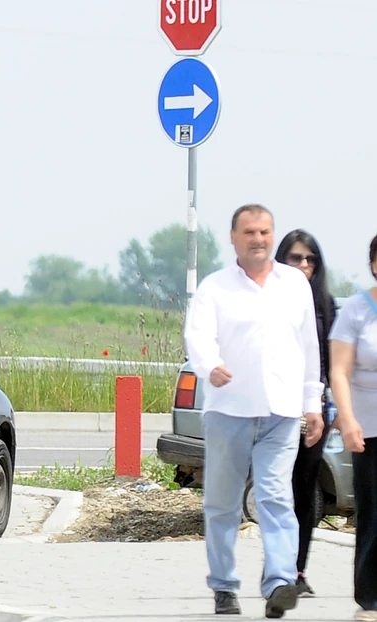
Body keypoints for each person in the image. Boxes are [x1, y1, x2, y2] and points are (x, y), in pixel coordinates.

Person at [184, 204, 324, 618]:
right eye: (249, 232)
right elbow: (198, 338)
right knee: (223, 504)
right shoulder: (216, 288)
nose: (258, 239)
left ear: (272, 235)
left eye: (264, 232)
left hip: (281, 412)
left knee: (276, 496)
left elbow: (309, 349)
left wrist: (311, 404)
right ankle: (225, 587)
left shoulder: (294, 285)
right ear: (233, 237)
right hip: (229, 412)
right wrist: (211, 366)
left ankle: (281, 581)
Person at [274, 229, 338, 597]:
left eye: (310, 259)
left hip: (314, 409)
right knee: (274, 489)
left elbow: (331, 363)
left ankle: (297, 570)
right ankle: (277, 566)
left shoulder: (325, 305)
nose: (304, 265)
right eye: (296, 258)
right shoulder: (267, 301)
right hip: (274, 408)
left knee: (305, 489)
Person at [328, 233, 377, 621]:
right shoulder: (357, 311)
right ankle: (371, 597)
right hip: (369, 429)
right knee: (374, 513)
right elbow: (340, 372)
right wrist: (347, 420)